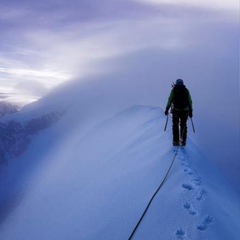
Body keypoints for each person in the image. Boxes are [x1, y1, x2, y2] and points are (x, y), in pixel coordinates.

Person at [165, 79, 193, 146]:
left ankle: (176, 141)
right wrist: (191, 111)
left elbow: (170, 99)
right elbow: (190, 101)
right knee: (183, 125)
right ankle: (183, 141)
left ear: (176, 83)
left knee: (175, 126)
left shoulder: (174, 90)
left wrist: (167, 109)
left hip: (176, 111)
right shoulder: (186, 90)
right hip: (185, 111)